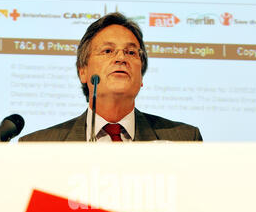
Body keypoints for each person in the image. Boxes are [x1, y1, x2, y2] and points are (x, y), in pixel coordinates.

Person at [19, 12, 202, 142]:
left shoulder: (184, 140)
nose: (121, 58)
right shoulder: (39, 146)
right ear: (83, 71)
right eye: (108, 51)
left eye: (131, 52)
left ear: (142, 75)